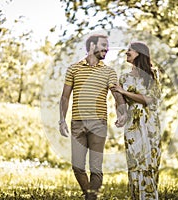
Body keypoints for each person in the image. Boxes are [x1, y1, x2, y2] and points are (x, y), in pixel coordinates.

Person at [59, 34, 127, 200]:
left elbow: (117, 95)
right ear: (92, 46)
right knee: (77, 166)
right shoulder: (73, 69)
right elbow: (65, 97)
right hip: (77, 122)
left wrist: (122, 112)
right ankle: (90, 196)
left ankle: (91, 198)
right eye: (103, 45)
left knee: (95, 167)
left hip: (99, 123)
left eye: (107, 45)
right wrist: (62, 120)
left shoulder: (109, 71)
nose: (107, 48)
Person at [111, 42, 162, 200]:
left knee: (150, 163)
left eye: (130, 50)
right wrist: (121, 115)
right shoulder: (124, 77)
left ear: (139, 53)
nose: (126, 52)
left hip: (150, 124)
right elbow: (120, 102)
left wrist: (124, 92)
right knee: (135, 163)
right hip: (132, 124)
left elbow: (150, 99)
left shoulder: (152, 74)